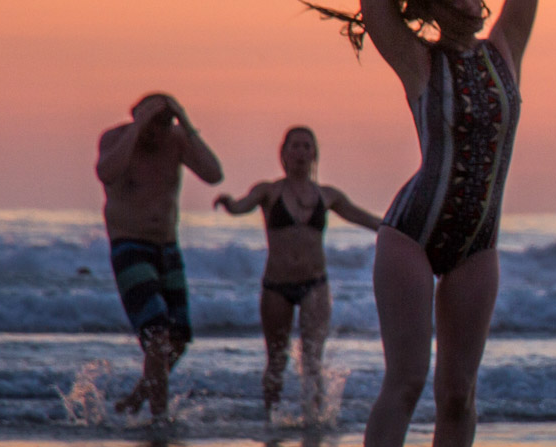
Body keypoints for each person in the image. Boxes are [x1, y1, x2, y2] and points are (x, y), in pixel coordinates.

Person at [303, 0, 538, 447]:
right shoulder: (417, 60)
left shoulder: (508, 47)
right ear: (434, 11)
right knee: (406, 379)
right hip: (411, 233)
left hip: (477, 242)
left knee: (459, 395)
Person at [213, 127, 382, 423]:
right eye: (295, 146)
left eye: (307, 147)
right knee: (277, 360)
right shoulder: (269, 191)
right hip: (276, 286)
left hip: (315, 284)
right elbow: (242, 205)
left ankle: (313, 420)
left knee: (312, 361)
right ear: (283, 154)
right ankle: (271, 418)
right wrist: (229, 204)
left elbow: (365, 218)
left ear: (315, 154)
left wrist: (398, 228)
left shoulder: (327, 196)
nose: (301, 152)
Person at [95, 92, 223, 417]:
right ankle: (159, 420)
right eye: (153, 124)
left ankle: (137, 399)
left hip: (167, 247)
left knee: (178, 338)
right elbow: (106, 172)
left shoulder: (176, 140)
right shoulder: (117, 139)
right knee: (157, 336)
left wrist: (186, 122)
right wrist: (137, 127)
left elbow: (213, 174)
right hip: (130, 245)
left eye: (165, 124)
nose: (158, 132)